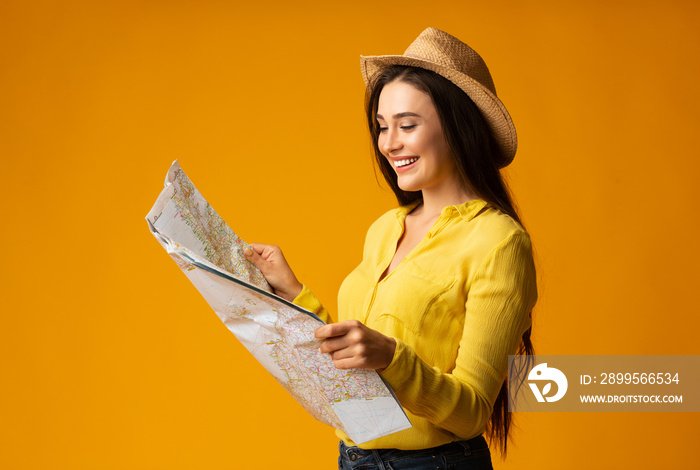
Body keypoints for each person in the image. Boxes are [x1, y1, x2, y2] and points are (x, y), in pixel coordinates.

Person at [243, 27, 537, 470]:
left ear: (457, 127)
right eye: (382, 127)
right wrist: (293, 293)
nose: (389, 143)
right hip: (354, 458)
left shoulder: (499, 242)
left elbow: (473, 410)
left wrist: (393, 359)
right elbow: (362, 363)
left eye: (408, 125)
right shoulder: (385, 228)